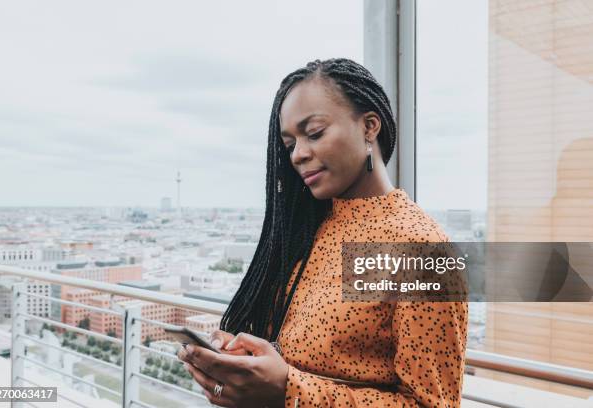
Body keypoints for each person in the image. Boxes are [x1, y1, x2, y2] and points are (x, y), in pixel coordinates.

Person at [178, 58, 468, 407]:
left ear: (369, 127)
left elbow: (430, 404)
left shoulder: (422, 251)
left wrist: (288, 391)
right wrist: (241, 365)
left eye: (314, 133)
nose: (298, 154)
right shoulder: (306, 231)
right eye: (289, 144)